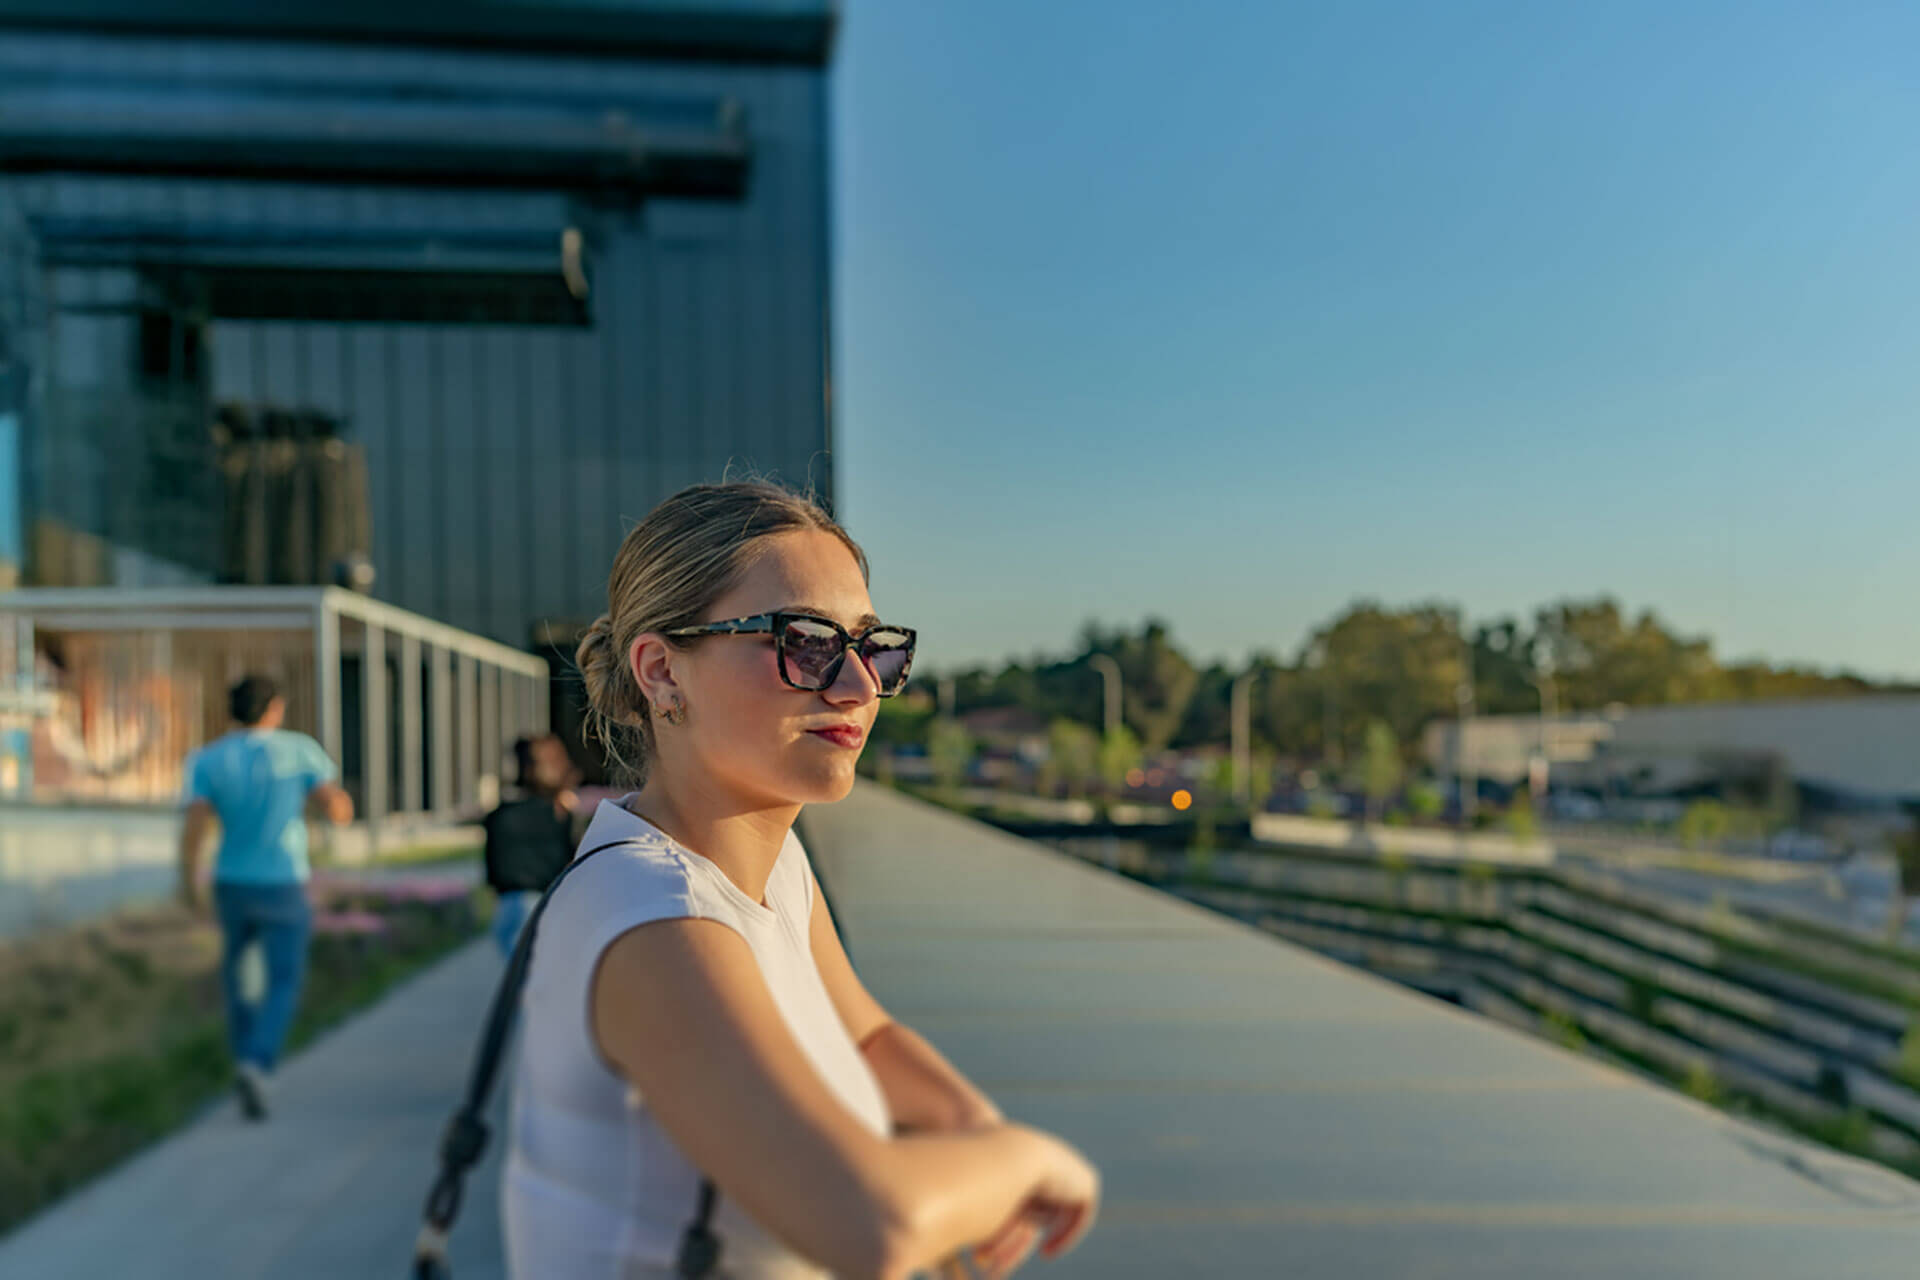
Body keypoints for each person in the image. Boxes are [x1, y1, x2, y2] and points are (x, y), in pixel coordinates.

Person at [503, 481, 1099, 1279]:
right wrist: (1029, 1159)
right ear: (661, 671)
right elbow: (873, 1223)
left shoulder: (774, 866)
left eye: (872, 646)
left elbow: (866, 1039)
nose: (857, 687)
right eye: (806, 642)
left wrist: (970, 1126)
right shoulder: (651, 918)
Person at [178, 674, 353, 1121]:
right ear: (274, 707)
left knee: (236, 976)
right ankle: (259, 1061)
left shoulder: (208, 759)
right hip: (283, 881)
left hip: (232, 881)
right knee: (282, 979)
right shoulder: (298, 751)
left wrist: (187, 883)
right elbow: (336, 809)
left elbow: (195, 826)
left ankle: (242, 1058)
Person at [483, 733, 583, 957]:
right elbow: (571, 862)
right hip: (541, 904)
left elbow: (493, 867)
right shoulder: (558, 813)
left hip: (508, 906)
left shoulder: (500, 814)